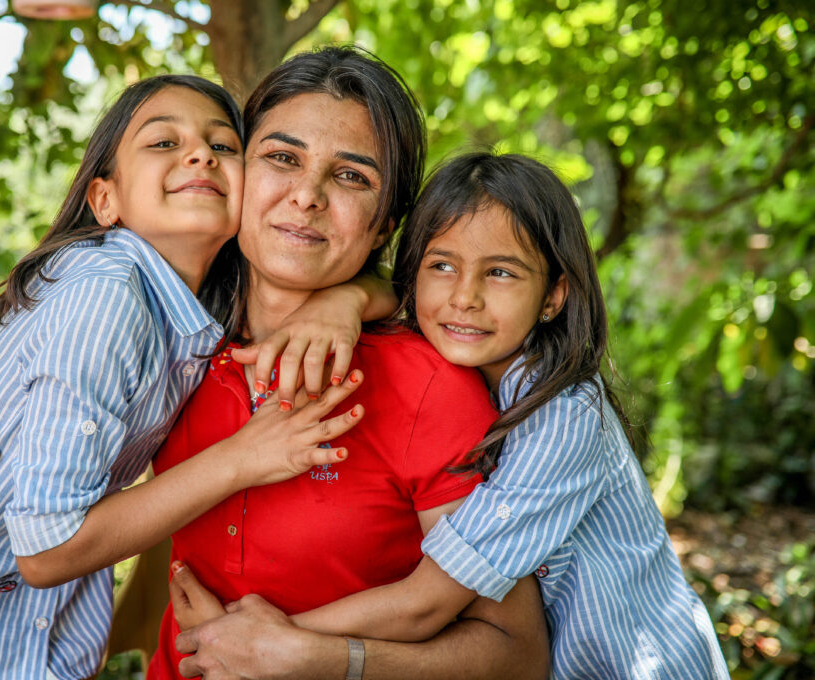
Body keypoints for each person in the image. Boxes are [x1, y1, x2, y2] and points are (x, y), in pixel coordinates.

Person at [0, 49, 552, 680]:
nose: (307, 195)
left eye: (352, 176)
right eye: (281, 158)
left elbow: (513, 654)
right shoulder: (172, 344)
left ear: (383, 227)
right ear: (233, 176)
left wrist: (315, 659)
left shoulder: (427, 384)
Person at [0, 74, 370, 680]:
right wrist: (243, 458)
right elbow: (48, 549)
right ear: (105, 201)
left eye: (222, 145)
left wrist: (351, 298)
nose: (199, 153)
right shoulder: (107, 293)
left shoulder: (194, 313)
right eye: (162, 143)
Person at [174, 153, 730, 679]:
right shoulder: (472, 377)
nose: (464, 297)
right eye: (443, 265)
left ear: (554, 296)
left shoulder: (564, 418)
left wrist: (259, 642)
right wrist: (344, 299)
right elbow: (397, 288)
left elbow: (427, 603)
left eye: (502, 274)